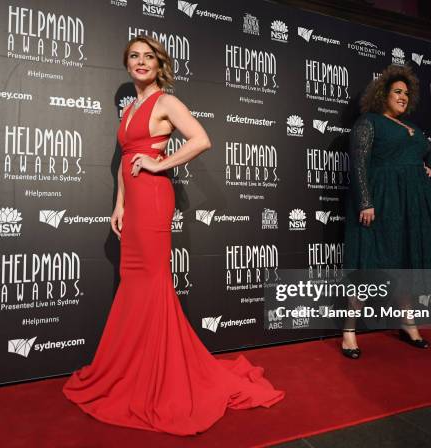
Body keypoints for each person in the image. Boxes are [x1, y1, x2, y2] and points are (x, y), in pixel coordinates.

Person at [63, 36, 284, 435]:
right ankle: (133, 366)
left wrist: (160, 162)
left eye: (149, 57)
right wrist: (118, 204)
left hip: (153, 199)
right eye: (134, 56)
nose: (141, 62)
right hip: (133, 203)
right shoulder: (129, 107)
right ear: (127, 64)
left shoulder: (166, 102)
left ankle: (156, 373)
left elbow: (201, 139)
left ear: (158, 63)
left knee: (151, 282)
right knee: (134, 283)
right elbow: (124, 161)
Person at [342, 65, 431, 359]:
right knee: (366, 264)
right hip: (381, 202)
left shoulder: (414, 129)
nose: (403, 97)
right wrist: (365, 201)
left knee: (404, 264)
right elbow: (358, 163)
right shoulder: (370, 122)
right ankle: (349, 332)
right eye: (397, 92)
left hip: (411, 205)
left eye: (406, 93)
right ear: (383, 94)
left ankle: (408, 324)